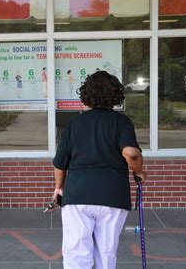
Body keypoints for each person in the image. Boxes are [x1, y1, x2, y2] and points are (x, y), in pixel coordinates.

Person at [52, 70, 147, 268]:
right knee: (106, 253)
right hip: (112, 195)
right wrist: (138, 172)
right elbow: (132, 154)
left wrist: (59, 187)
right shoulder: (121, 122)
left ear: (87, 94)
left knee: (76, 254)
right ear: (115, 95)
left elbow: (60, 163)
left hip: (77, 194)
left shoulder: (74, 124)